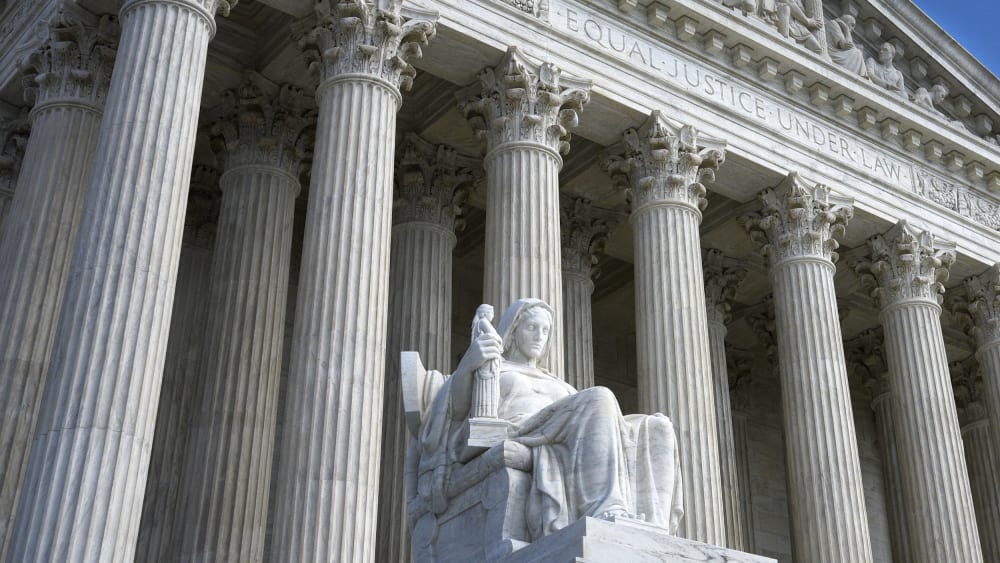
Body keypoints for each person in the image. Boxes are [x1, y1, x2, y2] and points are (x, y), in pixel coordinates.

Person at [411, 298, 683, 542]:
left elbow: (597, 423)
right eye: (531, 328)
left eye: (545, 330)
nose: (539, 336)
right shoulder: (494, 368)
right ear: (514, 330)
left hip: (560, 434)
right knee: (599, 397)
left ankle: (652, 532)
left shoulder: (558, 383)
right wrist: (470, 364)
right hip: (517, 428)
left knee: (658, 427)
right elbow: (455, 412)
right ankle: (605, 507)